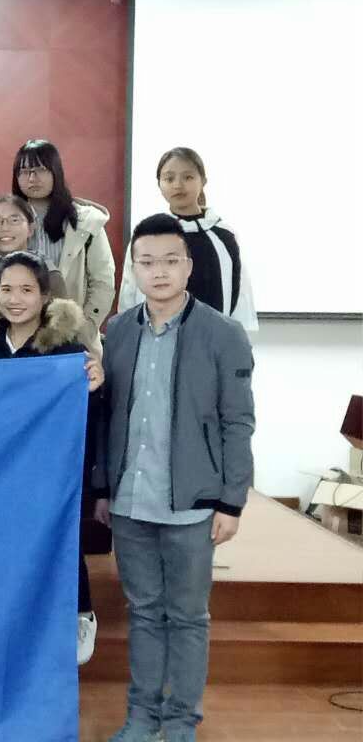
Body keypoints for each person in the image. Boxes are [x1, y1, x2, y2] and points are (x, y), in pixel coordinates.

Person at [93, 214, 255, 742]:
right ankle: (141, 717)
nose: (158, 271)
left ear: (187, 266)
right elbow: (106, 415)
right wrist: (103, 488)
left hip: (193, 502)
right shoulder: (118, 331)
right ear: (133, 270)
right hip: (130, 502)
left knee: (187, 617)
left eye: (169, 261)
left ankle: (182, 721)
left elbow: (238, 421)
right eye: (146, 262)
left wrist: (232, 501)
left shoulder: (223, 333)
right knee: (143, 613)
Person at [0, 251, 106, 666]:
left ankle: (80, 613)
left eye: (27, 290)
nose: (15, 299)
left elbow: (88, 415)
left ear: (45, 296)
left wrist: (95, 386)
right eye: (7, 289)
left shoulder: (66, 350)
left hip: (48, 473)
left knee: (59, 543)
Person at [117, 147, 257, 331]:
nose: (178, 185)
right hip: (157, 337)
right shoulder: (148, 235)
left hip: (215, 338)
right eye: (169, 178)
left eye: (188, 177)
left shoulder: (223, 235)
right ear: (159, 184)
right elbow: (129, 291)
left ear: (203, 181)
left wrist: (240, 338)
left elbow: (241, 295)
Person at [12, 139, 116, 342]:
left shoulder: (85, 222)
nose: (32, 178)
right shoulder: (6, 221)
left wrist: (85, 327)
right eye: (24, 172)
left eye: (40, 170)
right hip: (20, 332)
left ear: (56, 172)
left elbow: (103, 281)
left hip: (73, 334)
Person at [0, 194, 101, 354]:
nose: (4, 227)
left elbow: (62, 328)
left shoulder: (49, 273)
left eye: (14, 220)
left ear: (31, 228)